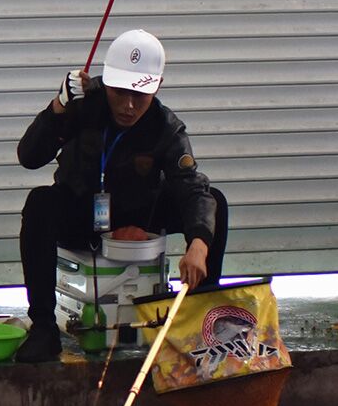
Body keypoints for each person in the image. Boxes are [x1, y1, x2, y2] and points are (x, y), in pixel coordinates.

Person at [16, 29, 228, 362]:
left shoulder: (166, 126)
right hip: (81, 212)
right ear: (106, 81)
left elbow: (192, 187)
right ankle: (44, 328)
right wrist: (57, 107)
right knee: (39, 202)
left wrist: (199, 244)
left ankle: (198, 319)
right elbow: (29, 157)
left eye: (140, 95)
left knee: (215, 200)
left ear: (157, 86)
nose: (129, 106)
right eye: (119, 92)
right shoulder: (81, 103)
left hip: (140, 215)